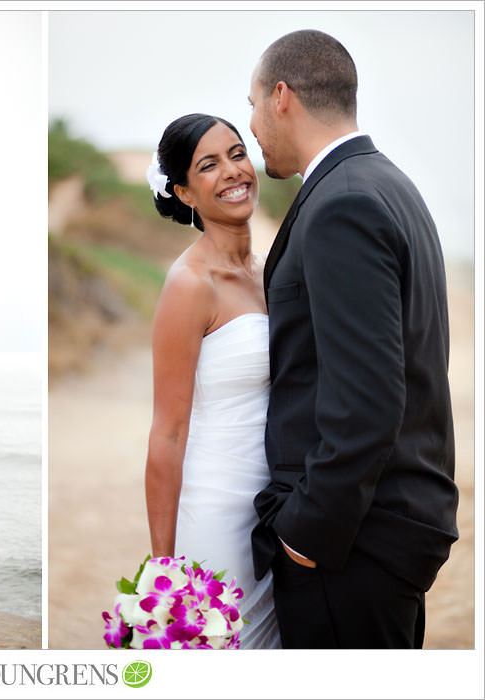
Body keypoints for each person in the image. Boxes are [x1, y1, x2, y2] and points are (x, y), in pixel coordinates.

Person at [247, 29, 459, 648]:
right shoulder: (389, 185)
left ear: (281, 96)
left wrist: (305, 535)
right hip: (385, 530)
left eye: (253, 102)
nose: (253, 125)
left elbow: (367, 399)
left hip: (353, 542)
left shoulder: (341, 203)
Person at [144, 113, 281, 648]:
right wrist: (163, 568)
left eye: (237, 153)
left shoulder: (271, 270)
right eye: (208, 165)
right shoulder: (188, 284)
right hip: (218, 512)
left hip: (277, 509)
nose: (232, 171)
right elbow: (168, 431)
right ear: (185, 192)